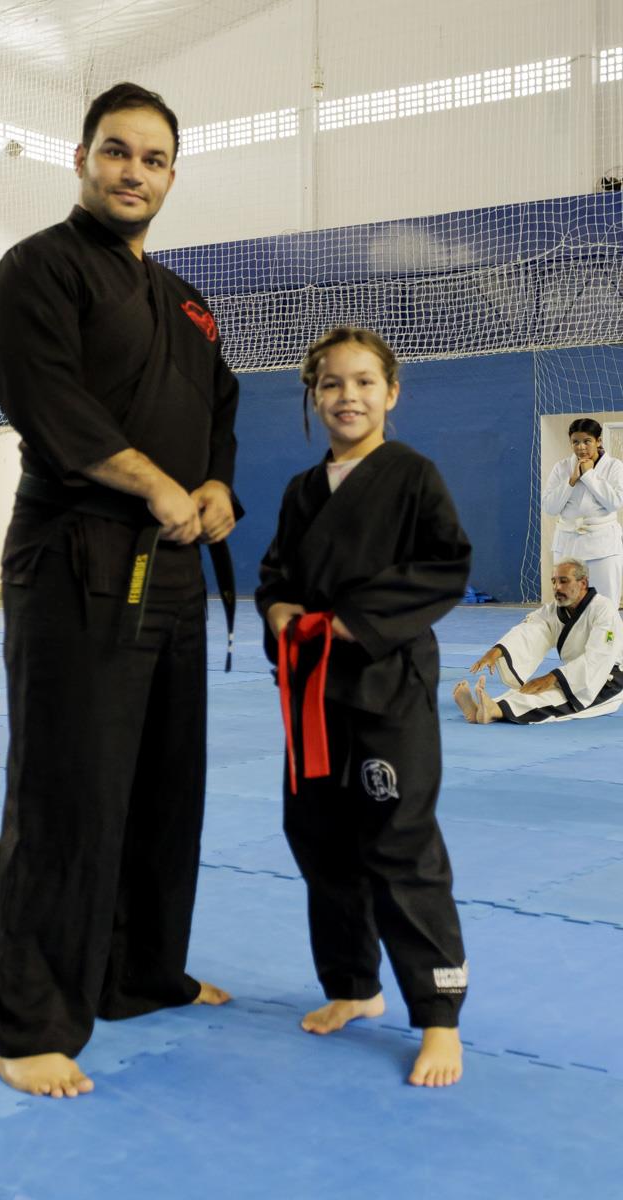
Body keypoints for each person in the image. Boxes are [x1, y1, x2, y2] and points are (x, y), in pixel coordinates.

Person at [0, 83, 238, 1098]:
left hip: (172, 562)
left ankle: (139, 973)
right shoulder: (36, 269)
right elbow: (47, 400)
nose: (135, 171)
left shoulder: (185, 298)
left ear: (172, 174)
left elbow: (220, 405)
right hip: (77, 555)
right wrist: (155, 483)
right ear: (81, 157)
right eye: (117, 151)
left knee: (165, 784)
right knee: (68, 788)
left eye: (154, 158)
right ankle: (32, 1023)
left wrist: (215, 486)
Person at [255, 327, 471, 1088]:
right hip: (314, 693)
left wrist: (357, 620)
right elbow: (276, 573)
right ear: (314, 397)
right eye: (331, 384)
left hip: (387, 689)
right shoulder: (302, 490)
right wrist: (278, 608)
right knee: (317, 835)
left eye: (364, 382)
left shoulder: (413, 475)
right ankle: (353, 985)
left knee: (398, 841)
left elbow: (447, 565)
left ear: (391, 392)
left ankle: (438, 1014)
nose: (348, 396)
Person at [454, 559, 623, 724]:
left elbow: (600, 657)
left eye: (564, 581)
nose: (557, 587)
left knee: (554, 698)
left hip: (607, 681)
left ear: (583, 583)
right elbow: (530, 630)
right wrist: (497, 651)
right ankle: (484, 709)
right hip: (573, 675)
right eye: (554, 582)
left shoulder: (603, 609)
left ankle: (494, 712)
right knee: (528, 690)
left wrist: (552, 678)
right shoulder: (554, 610)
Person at [542, 418, 623, 606]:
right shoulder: (562, 468)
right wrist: (571, 481)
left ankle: (606, 628)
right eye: (575, 442)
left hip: (603, 545)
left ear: (598, 441)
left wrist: (589, 475)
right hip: (567, 543)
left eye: (587, 441)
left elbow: (614, 502)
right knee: (568, 601)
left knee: (605, 602)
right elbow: (550, 507)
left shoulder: (615, 466)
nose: (581, 447)